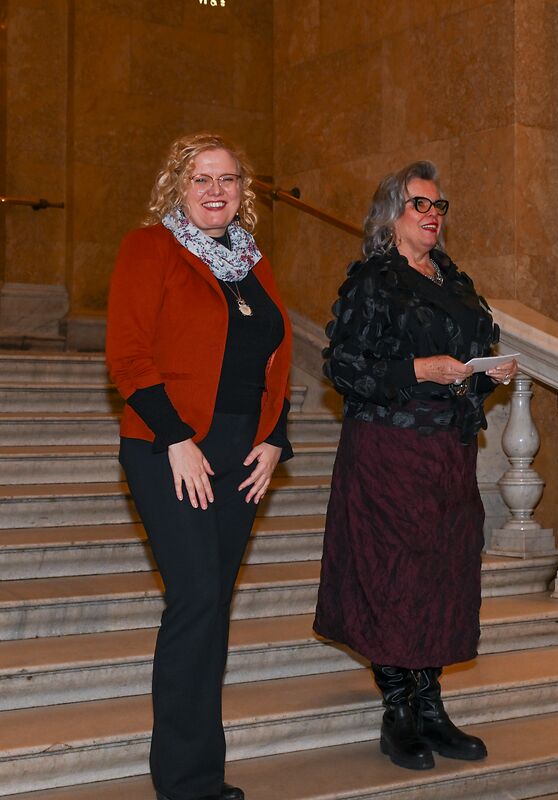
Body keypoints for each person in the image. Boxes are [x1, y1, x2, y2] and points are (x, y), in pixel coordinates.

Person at [106, 132, 293, 800]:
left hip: (242, 450)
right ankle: (186, 784)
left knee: (213, 605)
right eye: (201, 179)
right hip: (171, 446)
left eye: (228, 179)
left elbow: (274, 358)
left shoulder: (252, 261)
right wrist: (176, 437)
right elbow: (128, 354)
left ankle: (202, 775)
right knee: (196, 600)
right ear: (177, 186)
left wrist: (276, 437)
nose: (216, 191)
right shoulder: (149, 248)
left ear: (243, 190)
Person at [314, 161, 517, 771]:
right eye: (418, 204)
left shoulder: (454, 280)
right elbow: (343, 366)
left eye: (438, 205)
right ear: (391, 216)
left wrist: (486, 373)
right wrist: (418, 369)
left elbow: (465, 360)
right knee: (393, 575)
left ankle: (431, 707)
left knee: (443, 574)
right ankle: (398, 711)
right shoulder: (373, 281)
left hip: (448, 453)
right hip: (388, 452)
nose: (432, 215)